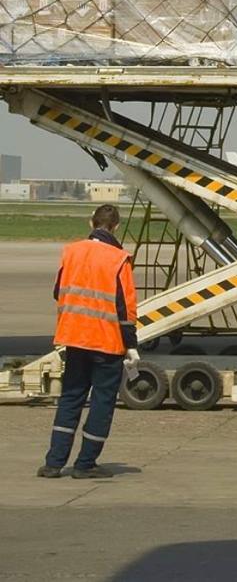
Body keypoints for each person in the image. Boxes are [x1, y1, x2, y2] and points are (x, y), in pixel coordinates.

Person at [37, 204, 139, 480]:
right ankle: (85, 464)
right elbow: (125, 309)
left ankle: (54, 463)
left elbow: (59, 291)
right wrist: (131, 344)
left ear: (91, 222)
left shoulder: (71, 251)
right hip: (106, 342)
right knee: (102, 402)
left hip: (74, 337)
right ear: (115, 226)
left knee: (70, 398)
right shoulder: (119, 258)